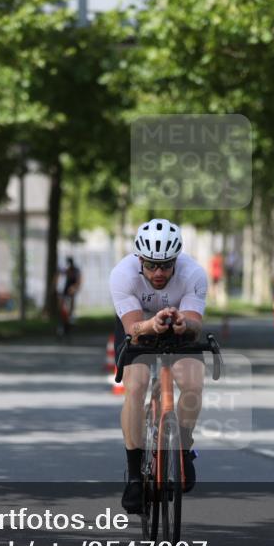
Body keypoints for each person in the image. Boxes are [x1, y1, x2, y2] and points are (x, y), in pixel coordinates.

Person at [110, 219, 208, 514]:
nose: (158, 273)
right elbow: (132, 328)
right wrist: (150, 324)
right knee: (136, 385)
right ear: (139, 259)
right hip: (138, 326)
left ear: (176, 260)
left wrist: (184, 323)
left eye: (166, 265)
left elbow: (195, 325)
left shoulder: (194, 274)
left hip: (178, 327)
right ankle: (135, 476)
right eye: (151, 265)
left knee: (193, 383)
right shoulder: (122, 275)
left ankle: (183, 448)